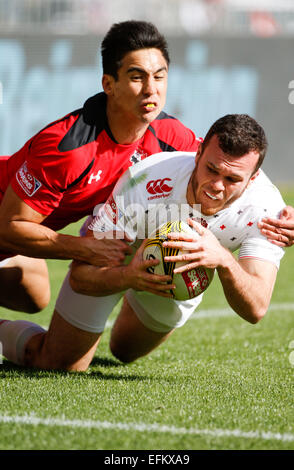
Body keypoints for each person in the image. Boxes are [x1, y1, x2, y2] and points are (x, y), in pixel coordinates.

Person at [0, 114, 287, 371]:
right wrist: (128, 276)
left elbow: (256, 308)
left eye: (232, 178)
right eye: (211, 169)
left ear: (252, 180)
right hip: (121, 254)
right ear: (197, 154)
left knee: (123, 352)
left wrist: (223, 259)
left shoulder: (267, 210)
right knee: (58, 363)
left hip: (179, 278)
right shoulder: (145, 180)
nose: (217, 185)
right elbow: (80, 278)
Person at [0, 20, 200, 314]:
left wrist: (277, 214)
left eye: (159, 77)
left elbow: (223, 161)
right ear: (109, 84)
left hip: (11, 239)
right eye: (137, 77)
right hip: (7, 227)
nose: (151, 89)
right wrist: (82, 247)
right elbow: (8, 228)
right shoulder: (68, 148)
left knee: (35, 296)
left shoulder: (169, 133)